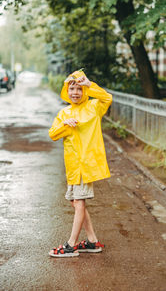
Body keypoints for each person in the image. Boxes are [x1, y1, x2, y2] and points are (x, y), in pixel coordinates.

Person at [48, 69, 112, 257]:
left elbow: (107, 98)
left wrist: (90, 85)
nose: (75, 92)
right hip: (73, 167)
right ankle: (92, 241)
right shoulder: (64, 113)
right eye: (71, 88)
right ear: (66, 91)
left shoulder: (93, 107)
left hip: (87, 165)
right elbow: (53, 134)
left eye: (78, 89)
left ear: (84, 90)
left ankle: (71, 245)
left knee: (79, 202)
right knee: (75, 203)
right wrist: (65, 124)